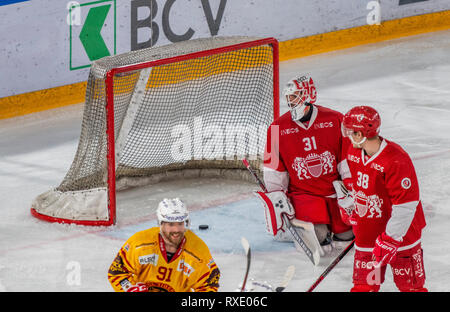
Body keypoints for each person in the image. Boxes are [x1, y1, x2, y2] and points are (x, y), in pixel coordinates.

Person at [258, 75, 354, 254]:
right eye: (289, 97)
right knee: (318, 241)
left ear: (309, 93)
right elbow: (273, 169)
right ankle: (299, 227)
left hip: (334, 193)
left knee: (346, 238)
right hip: (305, 196)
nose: (290, 101)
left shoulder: (335, 119)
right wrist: (277, 197)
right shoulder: (276, 128)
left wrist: (350, 188)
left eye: (295, 95)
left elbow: (347, 159)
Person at [340, 105, 427, 292]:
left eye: (351, 131)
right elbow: (360, 187)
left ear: (361, 134)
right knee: (365, 286)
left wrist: (390, 239)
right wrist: (356, 210)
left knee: (410, 287)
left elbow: (406, 206)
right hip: (369, 232)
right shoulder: (353, 152)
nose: (348, 135)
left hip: (402, 235)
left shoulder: (396, 160)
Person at [107, 198, 220, 292]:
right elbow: (117, 272)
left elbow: (209, 286)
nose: (176, 230)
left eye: (180, 224)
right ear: (161, 224)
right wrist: (129, 288)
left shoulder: (198, 252)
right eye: (171, 224)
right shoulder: (139, 244)